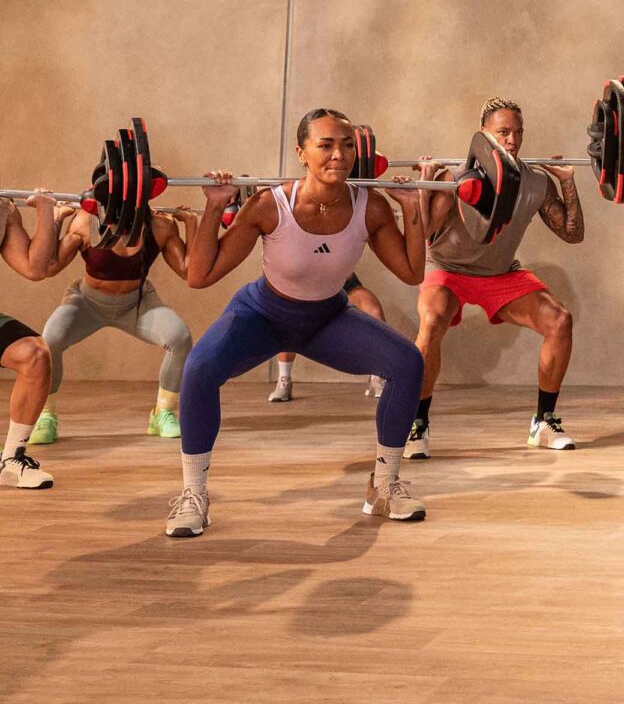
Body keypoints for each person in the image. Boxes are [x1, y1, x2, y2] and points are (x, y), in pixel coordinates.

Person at [163, 108, 428, 538]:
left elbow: (413, 273)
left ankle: (383, 487)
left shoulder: (370, 207)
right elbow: (199, 276)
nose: (338, 155)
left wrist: (413, 210)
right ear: (302, 153)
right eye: (325, 145)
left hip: (327, 318)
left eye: (346, 145)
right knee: (198, 369)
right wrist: (214, 207)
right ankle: (194, 496)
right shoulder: (269, 205)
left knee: (407, 361)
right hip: (262, 315)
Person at [406, 97, 584, 459]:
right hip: (448, 269)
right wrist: (427, 179)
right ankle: (417, 424)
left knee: (559, 321)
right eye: (503, 132)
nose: (513, 140)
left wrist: (566, 182)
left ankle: (544, 423)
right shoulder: (456, 176)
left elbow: (572, 233)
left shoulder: (534, 181)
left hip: (499, 273)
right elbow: (424, 232)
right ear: (484, 134)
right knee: (432, 321)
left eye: (518, 132)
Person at [32, 206, 198, 444]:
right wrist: (55, 219)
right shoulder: (84, 222)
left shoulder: (161, 225)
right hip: (87, 302)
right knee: (51, 340)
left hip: (137, 303)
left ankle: (163, 413)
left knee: (179, 338)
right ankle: (45, 416)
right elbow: (49, 266)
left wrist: (191, 223)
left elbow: (189, 270)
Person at [0, 192, 58, 488]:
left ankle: (11, 459)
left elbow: (34, 268)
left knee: (34, 354)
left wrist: (45, 210)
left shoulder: (3, 208)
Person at [267, 273, 389, 401]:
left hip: (343, 285)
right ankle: (283, 379)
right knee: (290, 317)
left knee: (373, 311)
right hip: (307, 290)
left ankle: (377, 374)